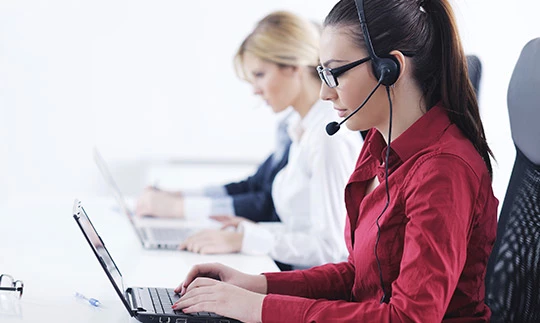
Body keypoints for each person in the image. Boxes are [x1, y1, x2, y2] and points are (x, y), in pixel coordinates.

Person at [168, 0, 499, 322]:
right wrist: (256, 285)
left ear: (390, 69)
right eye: (322, 73)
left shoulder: (443, 171)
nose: (325, 93)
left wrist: (257, 309)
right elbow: (358, 276)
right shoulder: (378, 146)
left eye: (334, 74)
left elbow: (408, 317)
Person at [138, 11, 363, 270]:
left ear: (293, 66)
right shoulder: (302, 129)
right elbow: (300, 227)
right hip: (295, 275)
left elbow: (332, 249)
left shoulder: (327, 136)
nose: (255, 89)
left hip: (313, 289)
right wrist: (249, 232)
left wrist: (245, 240)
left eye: (259, 74)